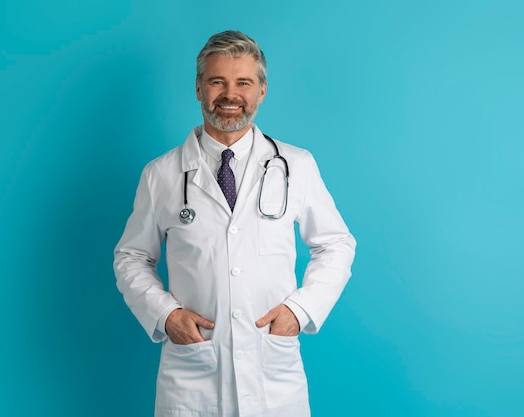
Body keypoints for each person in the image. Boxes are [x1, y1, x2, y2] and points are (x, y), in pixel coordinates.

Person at [113, 30, 356, 417]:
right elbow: (130, 257)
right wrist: (165, 315)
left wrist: (301, 310)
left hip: (271, 371)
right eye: (217, 82)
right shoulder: (160, 174)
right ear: (198, 88)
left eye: (243, 82)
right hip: (194, 375)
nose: (230, 95)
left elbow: (336, 244)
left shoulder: (297, 165)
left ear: (261, 90)